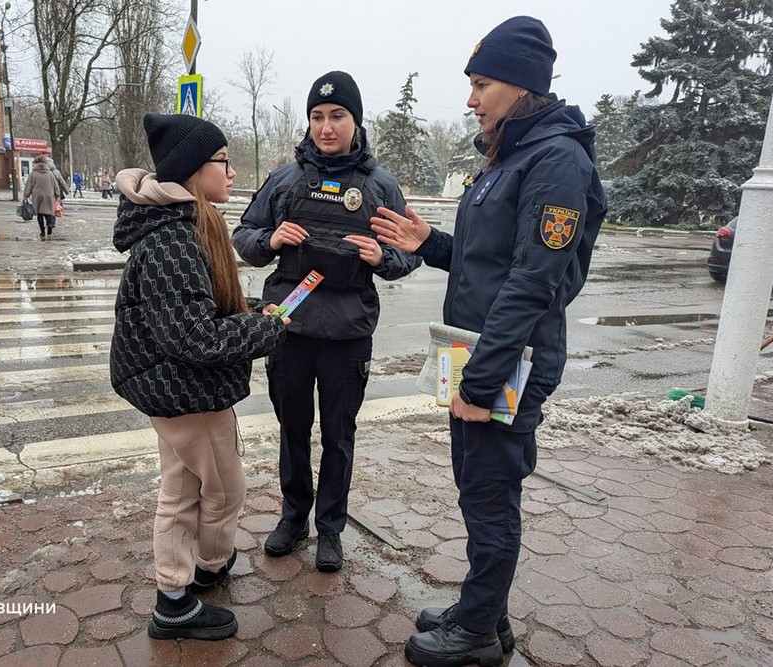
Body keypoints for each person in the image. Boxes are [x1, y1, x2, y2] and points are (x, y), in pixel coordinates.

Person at [371, 17, 606, 667]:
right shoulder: (515, 156)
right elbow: (489, 260)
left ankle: (475, 635)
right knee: (477, 489)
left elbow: (533, 282)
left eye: (482, 84)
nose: (471, 99)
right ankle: (485, 612)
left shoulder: (557, 160)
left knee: (489, 496)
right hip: (476, 351)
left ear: (522, 85)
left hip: (506, 362)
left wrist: (481, 382)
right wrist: (431, 245)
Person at [109, 113, 288, 641]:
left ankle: (180, 586)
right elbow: (194, 339)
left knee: (182, 488)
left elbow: (197, 309)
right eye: (224, 162)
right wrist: (268, 333)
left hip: (177, 389)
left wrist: (252, 311)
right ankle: (196, 580)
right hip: (187, 393)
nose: (232, 173)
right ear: (193, 171)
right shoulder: (174, 242)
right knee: (225, 490)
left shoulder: (185, 228)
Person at [232, 71, 421, 573]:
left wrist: (382, 256)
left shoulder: (379, 186)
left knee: (338, 434)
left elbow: (410, 254)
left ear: (356, 122)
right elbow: (244, 233)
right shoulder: (286, 179)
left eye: (337, 116)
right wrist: (270, 241)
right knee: (292, 428)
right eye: (317, 116)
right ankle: (294, 516)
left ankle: (330, 528)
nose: (326, 127)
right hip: (288, 325)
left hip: (347, 333)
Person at [23, 154, 60, 239]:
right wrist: (56, 195)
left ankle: (42, 231)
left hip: (37, 196)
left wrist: (26, 196)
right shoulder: (50, 173)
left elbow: (29, 186)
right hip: (49, 196)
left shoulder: (33, 173)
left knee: (40, 214)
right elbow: (56, 186)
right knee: (48, 212)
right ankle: (50, 224)